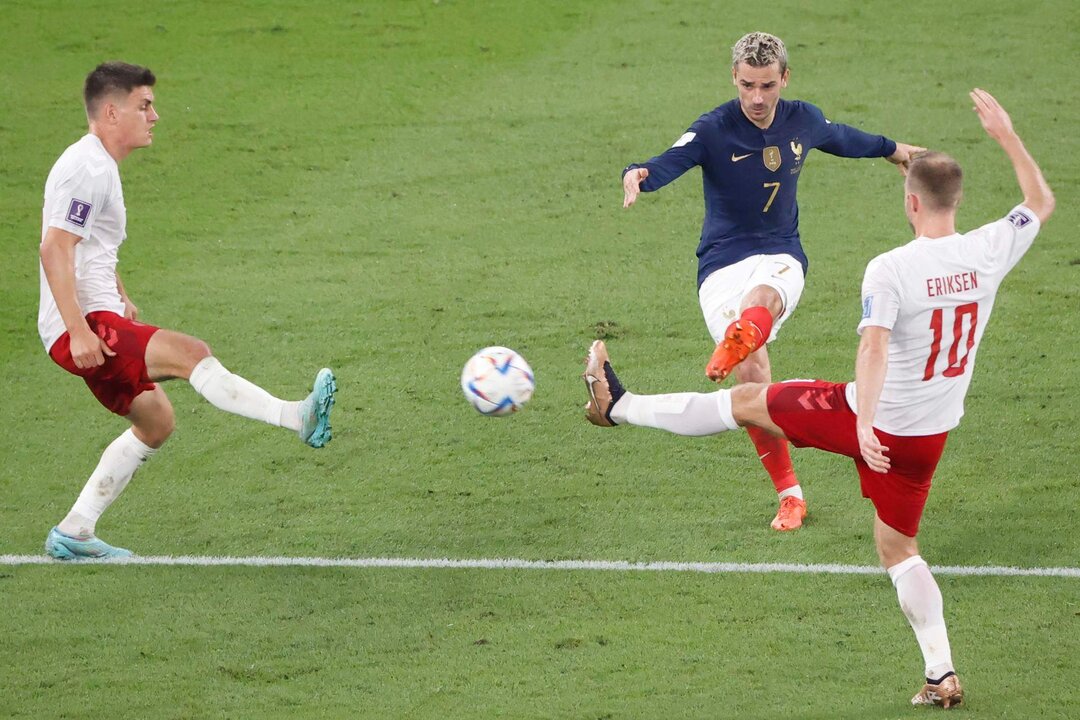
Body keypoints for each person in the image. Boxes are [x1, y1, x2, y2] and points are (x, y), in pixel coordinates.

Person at [589, 89, 1054, 707]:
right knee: (899, 550)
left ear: (910, 201)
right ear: (958, 199)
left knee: (745, 402)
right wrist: (1007, 135)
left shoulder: (891, 267)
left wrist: (864, 428)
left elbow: (874, 350)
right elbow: (1041, 202)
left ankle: (617, 405)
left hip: (869, 419)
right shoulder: (991, 249)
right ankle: (940, 673)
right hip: (931, 437)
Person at [621, 31, 925, 531]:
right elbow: (668, 161)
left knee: (765, 298)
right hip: (720, 263)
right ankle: (790, 493)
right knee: (753, 380)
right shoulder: (714, 128)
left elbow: (842, 136)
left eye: (766, 85)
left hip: (782, 252)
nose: (757, 99)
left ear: (784, 78)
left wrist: (891, 150)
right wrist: (638, 174)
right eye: (747, 86)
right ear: (734, 80)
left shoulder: (801, 118)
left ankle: (741, 335)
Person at [38, 61, 337, 560]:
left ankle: (75, 531)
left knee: (156, 422)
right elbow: (54, 248)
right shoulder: (86, 166)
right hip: (83, 327)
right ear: (112, 112)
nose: (154, 116)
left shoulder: (97, 164)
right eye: (144, 105)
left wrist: (118, 293)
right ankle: (296, 417)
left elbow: (88, 245)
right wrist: (80, 330)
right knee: (190, 353)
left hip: (95, 318)